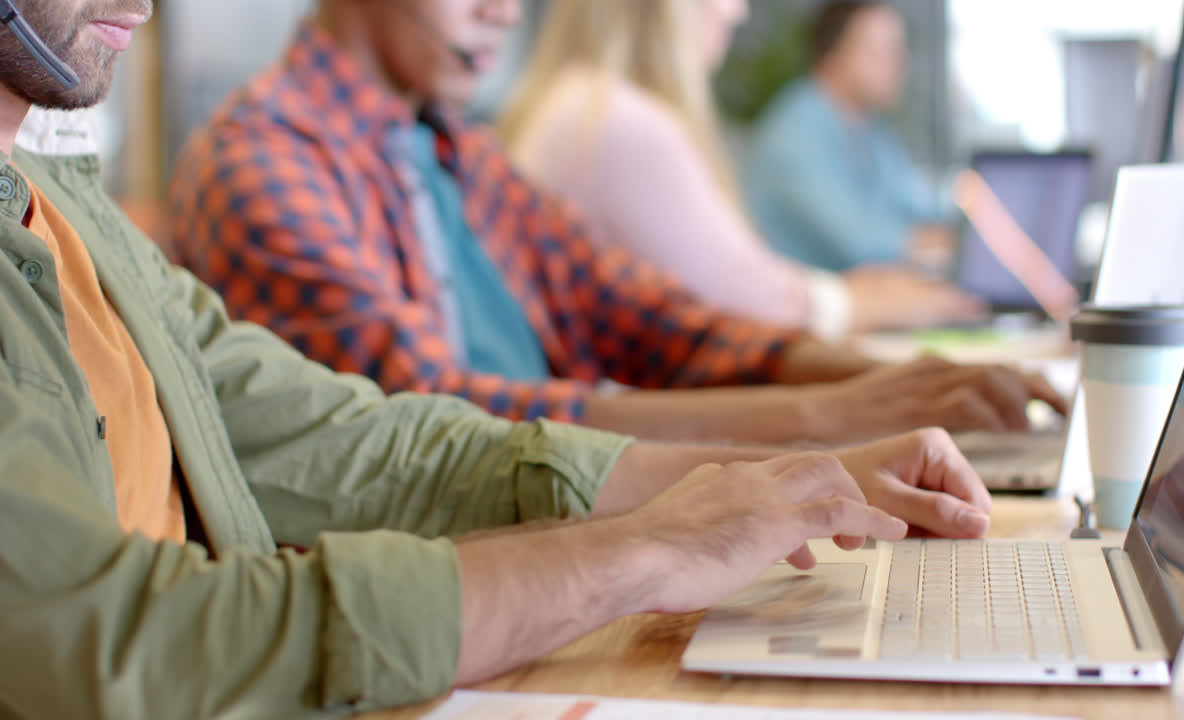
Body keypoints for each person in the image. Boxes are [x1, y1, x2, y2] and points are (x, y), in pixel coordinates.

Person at [3, 0, 1002, 715]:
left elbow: (372, 438)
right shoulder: (262, 154)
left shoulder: (73, 206)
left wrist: (773, 473)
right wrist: (655, 543)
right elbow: (122, 637)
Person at [169, 0, 1064, 448]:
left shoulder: (451, 147)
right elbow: (430, 420)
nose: (506, 11)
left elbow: (641, 314)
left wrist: (882, 386)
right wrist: (825, 413)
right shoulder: (262, 156)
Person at [498, 0, 982, 337]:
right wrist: (882, 299)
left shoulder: (579, 103)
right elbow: (747, 302)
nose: (738, 10)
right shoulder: (617, 121)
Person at [747, 1, 957, 272]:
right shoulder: (795, 132)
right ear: (833, 55)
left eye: (899, 49)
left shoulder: (872, 131)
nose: (899, 63)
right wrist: (952, 241)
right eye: (881, 50)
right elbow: (860, 244)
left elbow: (915, 207)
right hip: (796, 310)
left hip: (858, 300)